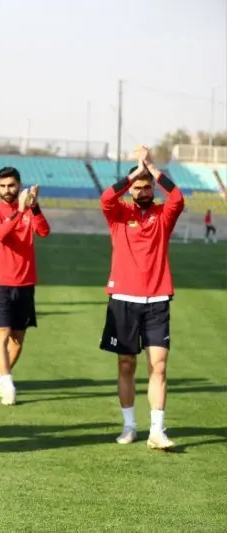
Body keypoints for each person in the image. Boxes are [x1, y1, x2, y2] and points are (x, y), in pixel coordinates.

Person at [99, 146, 184, 450]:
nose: (143, 191)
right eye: (138, 187)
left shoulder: (163, 215)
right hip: (123, 298)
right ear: (131, 190)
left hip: (157, 300)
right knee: (126, 365)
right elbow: (106, 198)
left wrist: (152, 168)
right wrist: (134, 171)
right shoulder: (119, 214)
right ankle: (129, 426)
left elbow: (178, 198)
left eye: (147, 186)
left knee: (158, 366)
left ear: (153, 188)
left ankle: (156, 431)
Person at [0, 167, 50, 406]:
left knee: (18, 338)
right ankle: (8, 384)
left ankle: (1, 377)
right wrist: (20, 211)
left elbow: (44, 231)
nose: (7, 190)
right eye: (2, 186)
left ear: (19, 186)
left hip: (25, 281)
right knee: (1, 332)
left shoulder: (30, 210)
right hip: (0, 281)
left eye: (11, 185)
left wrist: (34, 206)